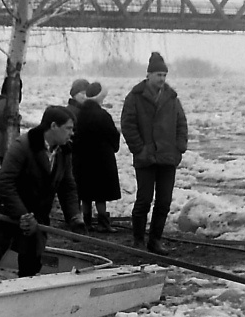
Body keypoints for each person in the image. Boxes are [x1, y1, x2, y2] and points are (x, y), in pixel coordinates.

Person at [0, 106, 86, 277]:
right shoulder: (23, 146)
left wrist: (74, 217)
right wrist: (23, 214)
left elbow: (67, 186)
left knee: (30, 265)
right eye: (68, 128)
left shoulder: (63, 151)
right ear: (53, 126)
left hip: (38, 218)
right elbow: (5, 183)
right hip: (8, 215)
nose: (71, 133)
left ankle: (25, 299)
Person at [120, 51, 188, 255]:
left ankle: (155, 240)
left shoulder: (172, 98)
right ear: (148, 75)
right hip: (146, 158)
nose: (161, 79)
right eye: (158, 75)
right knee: (144, 200)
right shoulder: (135, 97)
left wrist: (179, 148)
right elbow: (128, 124)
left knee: (164, 201)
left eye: (164, 75)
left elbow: (181, 123)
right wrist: (140, 149)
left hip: (167, 157)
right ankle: (138, 240)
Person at [73, 82, 121, 233]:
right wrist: (113, 147)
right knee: (101, 194)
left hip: (82, 160)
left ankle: (86, 222)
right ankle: (103, 223)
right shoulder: (103, 115)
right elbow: (113, 136)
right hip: (102, 160)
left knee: (85, 193)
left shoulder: (79, 114)